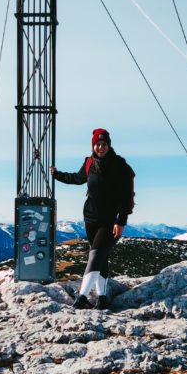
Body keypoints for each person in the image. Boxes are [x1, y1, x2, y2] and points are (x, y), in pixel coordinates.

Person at [50, 128, 131, 310]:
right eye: (97, 144)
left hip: (109, 221)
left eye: (104, 144)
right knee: (101, 257)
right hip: (90, 218)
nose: (101, 147)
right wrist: (57, 175)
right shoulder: (89, 163)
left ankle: (82, 297)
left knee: (94, 255)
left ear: (109, 145)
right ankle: (102, 297)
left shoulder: (119, 165)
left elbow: (126, 195)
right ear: (93, 146)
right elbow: (78, 179)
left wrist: (121, 220)